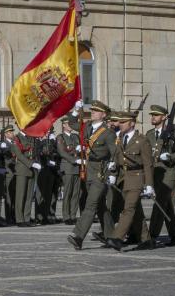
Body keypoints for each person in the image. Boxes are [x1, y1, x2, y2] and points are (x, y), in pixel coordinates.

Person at [66, 100, 116, 250]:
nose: (92, 112)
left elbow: (115, 154)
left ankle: (78, 237)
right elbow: (72, 123)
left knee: (90, 204)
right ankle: (111, 237)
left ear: (103, 114)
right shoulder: (87, 127)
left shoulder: (108, 133)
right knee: (101, 207)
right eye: (92, 109)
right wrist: (76, 109)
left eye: (96, 110)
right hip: (88, 171)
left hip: (101, 172)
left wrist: (112, 171)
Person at [105, 111, 155, 251]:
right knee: (136, 210)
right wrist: (113, 172)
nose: (120, 124)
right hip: (123, 178)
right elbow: (116, 156)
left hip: (137, 177)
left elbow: (148, 164)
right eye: (119, 122)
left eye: (123, 122)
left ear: (132, 123)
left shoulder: (142, 140)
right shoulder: (120, 137)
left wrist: (149, 184)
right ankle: (146, 240)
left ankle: (117, 237)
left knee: (128, 209)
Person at [146, 105, 175, 246]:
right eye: (152, 115)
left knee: (159, 204)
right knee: (166, 206)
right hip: (156, 173)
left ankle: (152, 236)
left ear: (163, 117)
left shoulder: (173, 133)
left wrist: (170, 157)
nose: (153, 117)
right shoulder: (149, 134)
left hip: (169, 172)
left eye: (156, 115)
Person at [56, 117, 81, 225]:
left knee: (76, 193)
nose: (70, 126)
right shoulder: (60, 137)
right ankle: (66, 216)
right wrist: (76, 159)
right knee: (68, 193)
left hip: (77, 168)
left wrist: (81, 150)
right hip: (68, 167)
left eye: (71, 124)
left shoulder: (75, 136)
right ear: (64, 125)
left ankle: (73, 215)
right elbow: (62, 153)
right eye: (68, 124)